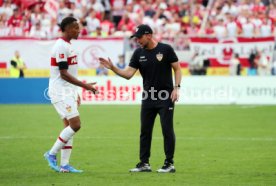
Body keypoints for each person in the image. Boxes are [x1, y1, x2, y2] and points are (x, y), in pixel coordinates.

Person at [99, 24, 182, 173]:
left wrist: (177, 88)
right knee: (145, 131)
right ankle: (144, 163)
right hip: (148, 97)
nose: (137, 40)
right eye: (136, 38)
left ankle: (169, 163)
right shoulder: (138, 53)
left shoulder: (166, 49)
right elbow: (128, 74)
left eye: (139, 37)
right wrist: (113, 68)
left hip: (166, 97)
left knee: (167, 130)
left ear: (149, 35)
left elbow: (177, 68)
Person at [44, 17, 98, 173]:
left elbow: (70, 73)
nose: (78, 30)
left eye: (78, 27)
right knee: (76, 125)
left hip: (68, 91)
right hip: (60, 91)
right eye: (75, 28)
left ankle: (64, 165)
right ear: (67, 28)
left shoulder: (68, 45)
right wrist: (85, 86)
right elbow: (63, 74)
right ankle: (51, 154)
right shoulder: (60, 46)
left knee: (69, 128)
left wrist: (76, 92)